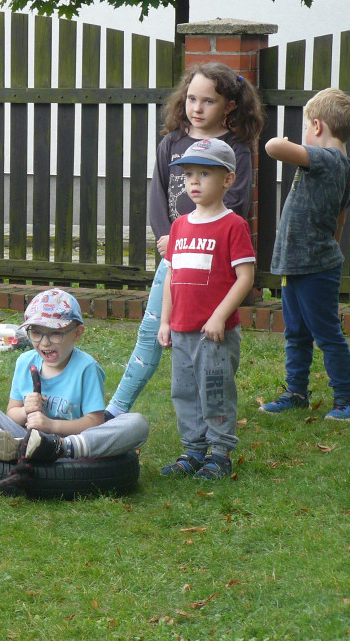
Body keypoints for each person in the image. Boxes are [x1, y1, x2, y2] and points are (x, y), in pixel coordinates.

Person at [106, 63, 262, 418]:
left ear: (230, 105)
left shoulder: (235, 148)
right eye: (192, 98)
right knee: (153, 330)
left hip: (211, 261)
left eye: (208, 101)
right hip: (173, 255)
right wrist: (167, 237)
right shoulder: (172, 142)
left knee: (212, 342)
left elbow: (235, 203)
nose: (197, 107)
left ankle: (214, 415)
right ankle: (116, 409)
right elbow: (157, 194)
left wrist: (190, 236)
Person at [0, 288, 149, 464]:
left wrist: (51, 426)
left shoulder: (86, 368)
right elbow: (12, 413)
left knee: (137, 424)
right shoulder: (25, 362)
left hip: (71, 441)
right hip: (25, 437)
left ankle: (61, 449)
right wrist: (25, 412)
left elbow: (94, 422)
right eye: (36, 333)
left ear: (77, 333)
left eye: (55, 333)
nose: (45, 343)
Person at [157, 138, 256, 480]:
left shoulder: (233, 226)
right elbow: (172, 277)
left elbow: (245, 277)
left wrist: (218, 316)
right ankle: (193, 451)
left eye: (204, 173)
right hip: (181, 330)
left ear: (228, 179)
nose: (194, 181)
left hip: (214, 332)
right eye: (188, 174)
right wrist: (165, 321)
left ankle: (219, 453)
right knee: (184, 392)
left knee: (215, 390)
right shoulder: (179, 226)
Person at [259, 88, 350, 420]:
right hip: (299, 264)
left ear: (317, 125)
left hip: (314, 268)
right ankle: (295, 393)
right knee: (296, 332)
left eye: (305, 131)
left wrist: (283, 140)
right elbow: (339, 219)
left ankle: (346, 399)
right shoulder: (344, 167)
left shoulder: (326, 159)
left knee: (326, 333)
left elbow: (273, 147)